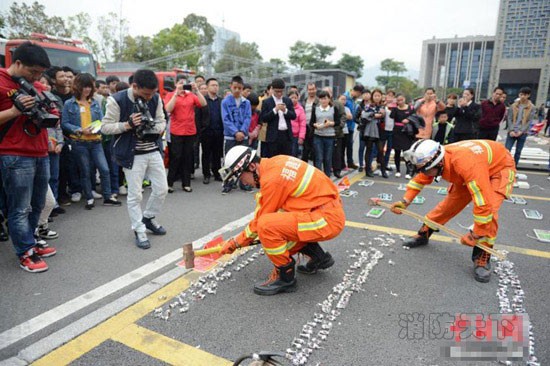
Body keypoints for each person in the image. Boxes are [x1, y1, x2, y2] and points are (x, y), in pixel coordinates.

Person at [218, 146, 345, 295]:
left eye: (241, 177)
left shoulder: (273, 180)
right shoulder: (276, 162)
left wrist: (235, 243)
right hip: (326, 211)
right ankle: (319, 258)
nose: (245, 183)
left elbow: (259, 223)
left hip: (326, 220)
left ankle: (286, 278)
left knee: (266, 226)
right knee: (281, 219)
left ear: (252, 166)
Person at [391, 139, 516, 283]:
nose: (424, 173)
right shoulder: (433, 159)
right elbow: (420, 179)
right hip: (474, 168)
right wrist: (405, 201)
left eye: (425, 170)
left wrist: (476, 233)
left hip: (499, 168)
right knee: (449, 204)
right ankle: (425, 233)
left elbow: (482, 202)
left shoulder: (465, 165)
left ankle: (483, 255)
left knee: (490, 210)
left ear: (438, 164)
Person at [0, 42, 57, 272]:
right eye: (33, 71)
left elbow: (52, 114)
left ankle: (30, 242)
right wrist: (15, 110)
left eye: (40, 73)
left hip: (40, 151)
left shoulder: (36, 86)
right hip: (14, 153)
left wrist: (50, 111)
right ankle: (25, 252)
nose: (36, 77)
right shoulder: (2, 82)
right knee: (19, 207)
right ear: (18, 63)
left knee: (37, 204)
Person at [101, 69, 168, 249]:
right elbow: (105, 127)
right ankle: (138, 229)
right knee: (135, 195)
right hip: (131, 154)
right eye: (146, 94)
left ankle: (148, 218)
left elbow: (162, 121)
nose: (149, 98)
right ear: (135, 86)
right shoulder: (117, 100)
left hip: (152, 149)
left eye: (153, 94)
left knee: (162, 189)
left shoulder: (155, 98)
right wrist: (128, 125)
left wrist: (154, 127)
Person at [61, 73, 121, 210]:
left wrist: (97, 128)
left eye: (89, 87)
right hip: (79, 142)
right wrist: (80, 130)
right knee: (85, 171)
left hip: (96, 141)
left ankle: (107, 197)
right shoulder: (69, 103)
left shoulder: (94, 102)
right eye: (84, 86)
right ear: (77, 87)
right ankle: (89, 198)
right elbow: (64, 123)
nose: (87, 90)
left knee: (104, 169)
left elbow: (102, 120)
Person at [164, 75, 207, 193]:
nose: (182, 85)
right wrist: (176, 94)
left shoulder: (191, 95)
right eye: (180, 83)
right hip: (176, 131)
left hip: (190, 130)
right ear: (176, 84)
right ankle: (169, 183)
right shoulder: (170, 95)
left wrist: (197, 90)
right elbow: (168, 109)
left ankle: (186, 183)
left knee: (187, 157)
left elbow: (203, 104)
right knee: (176, 157)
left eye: (184, 83)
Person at [221, 75, 252, 194]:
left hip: (243, 135)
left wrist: (242, 132)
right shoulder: (225, 102)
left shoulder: (247, 102)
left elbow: (248, 118)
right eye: (235, 87)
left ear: (242, 88)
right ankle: (227, 183)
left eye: (239, 88)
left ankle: (243, 183)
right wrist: (235, 132)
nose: (237, 90)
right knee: (229, 160)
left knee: (244, 160)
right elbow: (226, 119)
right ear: (231, 87)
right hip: (230, 136)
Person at [259, 78, 296, 158]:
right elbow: (264, 118)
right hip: (273, 136)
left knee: (286, 159)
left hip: (286, 135)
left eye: (281, 91)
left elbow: (293, 116)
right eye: (277, 91)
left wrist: (285, 110)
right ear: (272, 89)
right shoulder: (267, 102)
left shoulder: (288, 100)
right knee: (273, 159)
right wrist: (275, 110)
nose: (279, 94)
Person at [358, 89, 388, 178]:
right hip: (369, 130)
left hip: (379, 130)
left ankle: (383, 171)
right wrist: (374, 115)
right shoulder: (368, 106)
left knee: (380, 151)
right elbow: (363, 115)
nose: (377, 97)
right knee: (369, 150)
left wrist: (377, 115)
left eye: (379, 96)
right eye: (375, 96)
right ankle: (368, 170)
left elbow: (383, 116)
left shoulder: (382, 107)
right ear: (372, 96)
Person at [505, 87, 536, 167]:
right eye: (521, 94)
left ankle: (514, 167)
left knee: (518, 151)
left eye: (524, 95)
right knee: (507, 150)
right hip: (512, 131)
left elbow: (529, 121)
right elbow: (509, 118)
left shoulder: (532, 107)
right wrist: (511, 130)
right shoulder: (513, 105)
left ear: (528, 95)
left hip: (522, 133)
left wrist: (521, 131)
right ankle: (505, 166)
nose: (522, 96)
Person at [201, 78, 224, 184]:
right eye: (213, 85)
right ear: (207, 87)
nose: (215, 87)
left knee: (217, 153)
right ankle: (206, 174)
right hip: (206, 131)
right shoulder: (203, 100)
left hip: (219, 131)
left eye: (217, 85)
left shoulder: (221, 101)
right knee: (206, 153)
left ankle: (216, 173)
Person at [310, 90, 336, 177]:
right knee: (319, 158)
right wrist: (315, 125)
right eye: (321, 99)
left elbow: (338, 122)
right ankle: (318, 178)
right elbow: (311, 122)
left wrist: (330, 123)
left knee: (328, 158)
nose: (323, 101)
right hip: (318, 136)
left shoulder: (333, 109)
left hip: (330, 136)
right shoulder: (316, 109)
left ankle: (327, 178)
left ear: (329, 99)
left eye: (325, 98)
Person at [390, 94, 415, 178]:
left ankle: (408, 171)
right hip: (397, 131)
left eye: (402, 100)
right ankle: (398, 170)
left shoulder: (411, 108)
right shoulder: (395, 109)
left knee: (407, 152)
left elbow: (414, 117)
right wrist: (394, 106)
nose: (400, 102)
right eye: (398, 100)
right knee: (397, 151)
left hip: (407, 132)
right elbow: (391, 116)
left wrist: (408, 120)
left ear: (405, 99)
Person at [300, 82, 318, 163]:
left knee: (315, 150)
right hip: (305, 127)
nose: (311, 91)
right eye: (310, 90)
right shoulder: (304, 101)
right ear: (307, 90)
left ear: (316, 89)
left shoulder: (319, 101)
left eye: (313, 89)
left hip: (315, 128)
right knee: (305, 150)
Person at [289, 90, 306, 158]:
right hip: (286, 135)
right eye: (291, 98)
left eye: (295, 98)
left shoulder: (300, 109)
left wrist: (301, 137)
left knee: (294, 154)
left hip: (295, 136)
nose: (293, 100)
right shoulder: (285, 107)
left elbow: (303, 124)